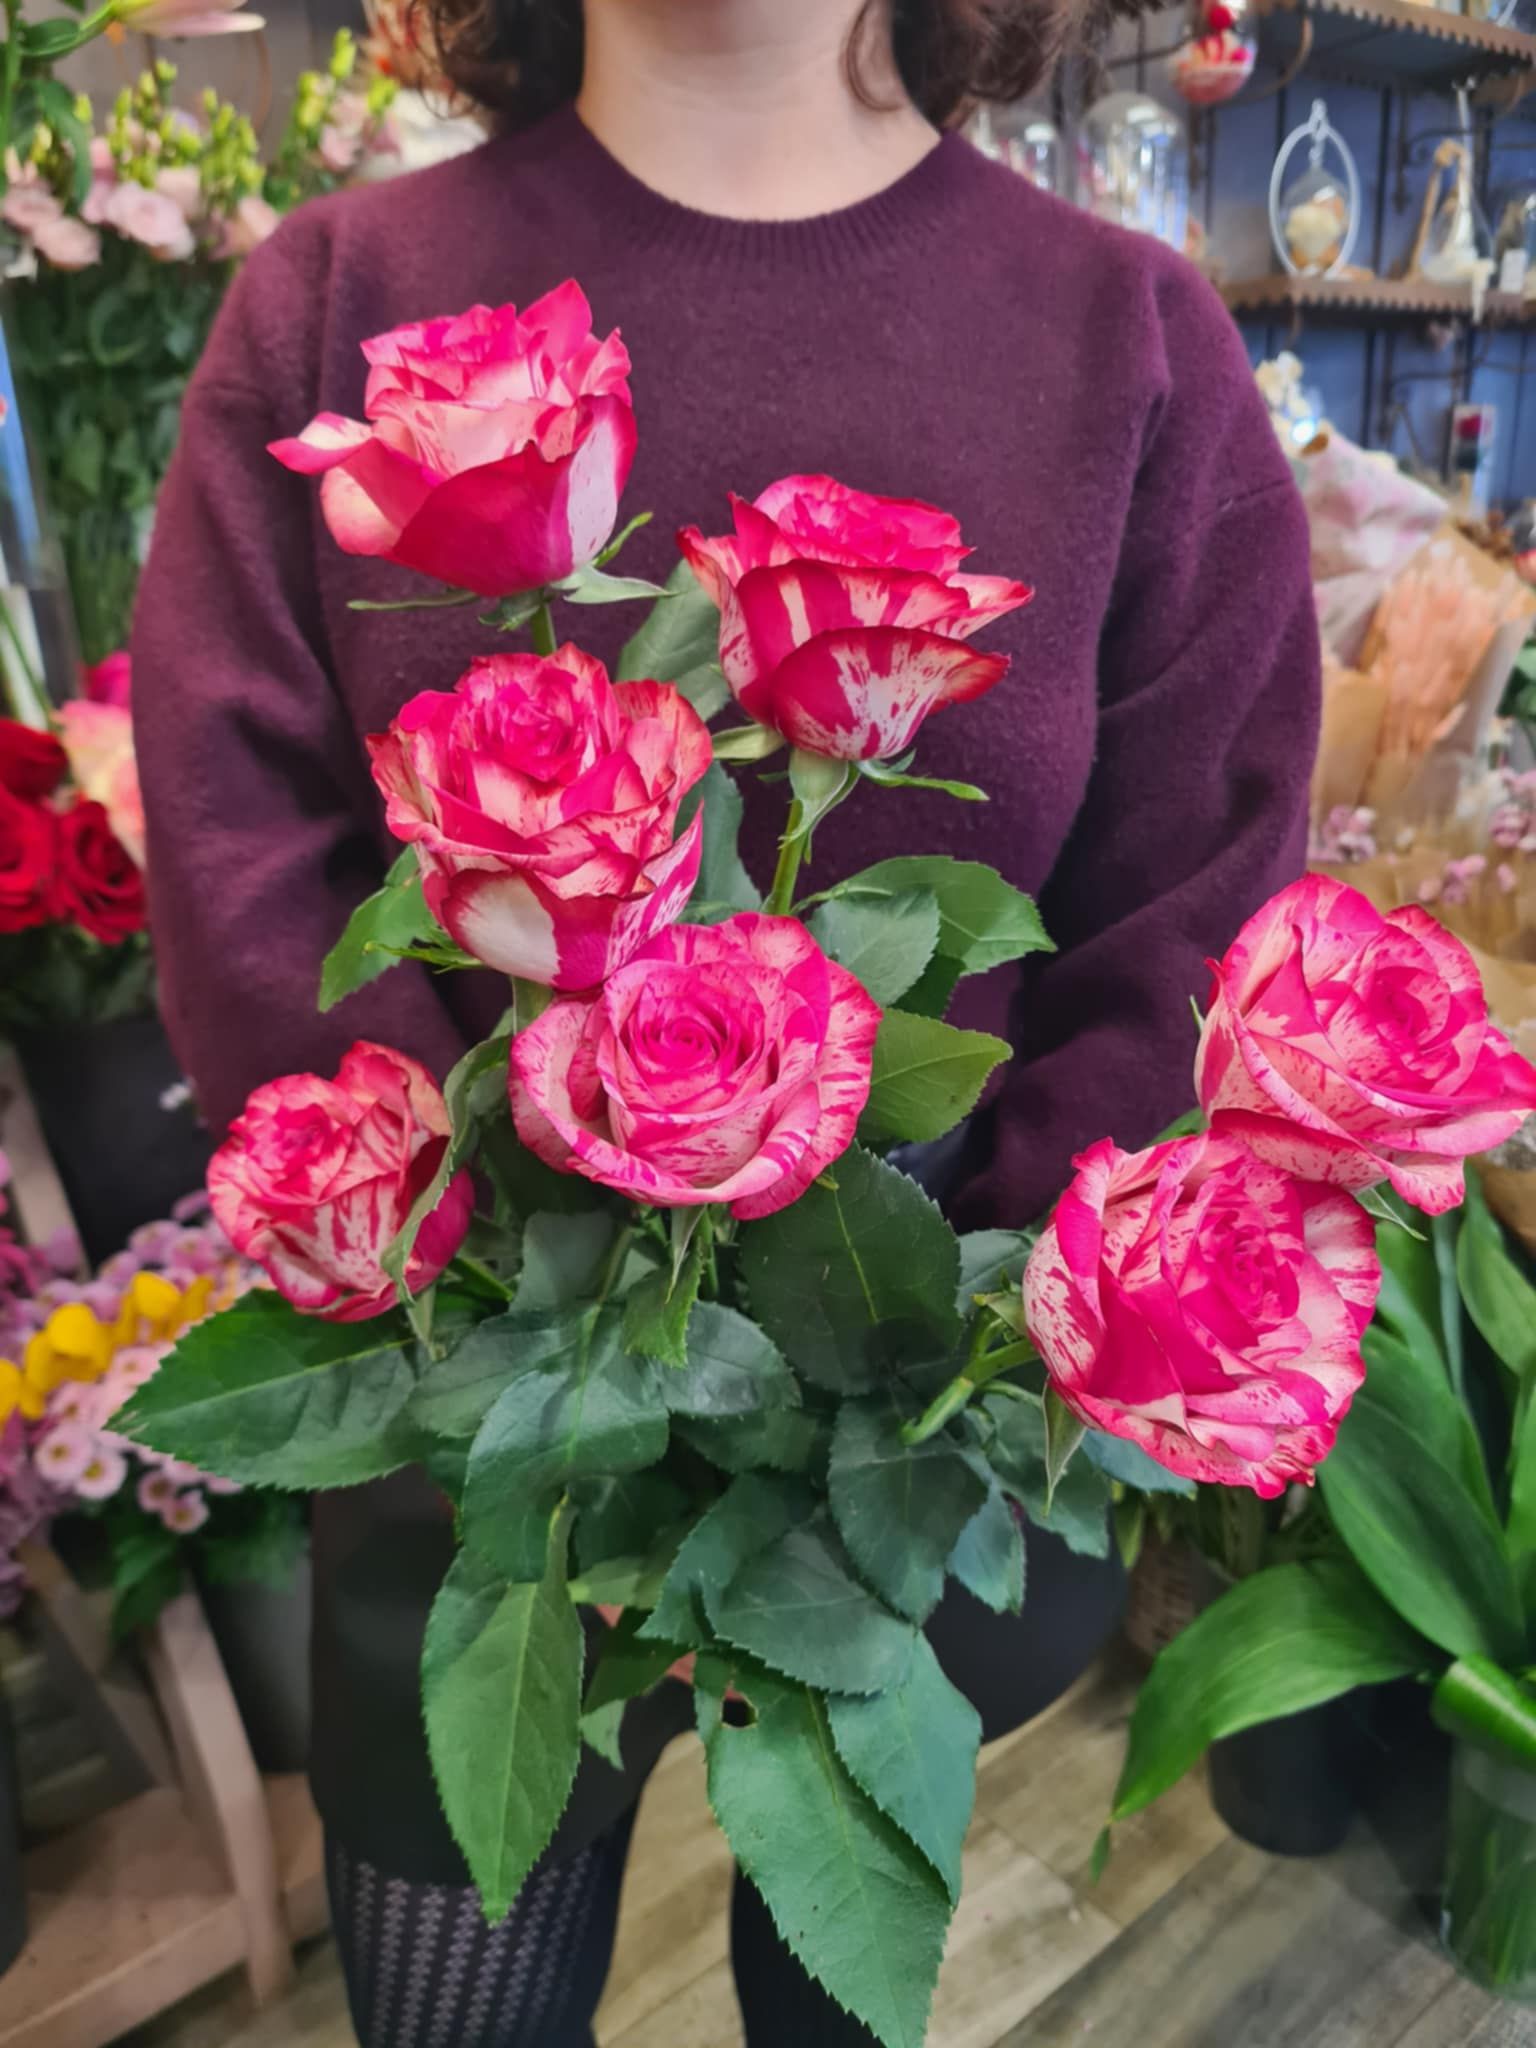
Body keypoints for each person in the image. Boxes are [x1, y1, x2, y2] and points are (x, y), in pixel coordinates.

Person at [132, 2, 1321, 2041]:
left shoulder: (1130, 353)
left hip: (910, 1487)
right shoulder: (344, 313)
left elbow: (1185, 918)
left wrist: (959, 1348)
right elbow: (253, 877)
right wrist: (500, 1297)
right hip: (480, 1485)